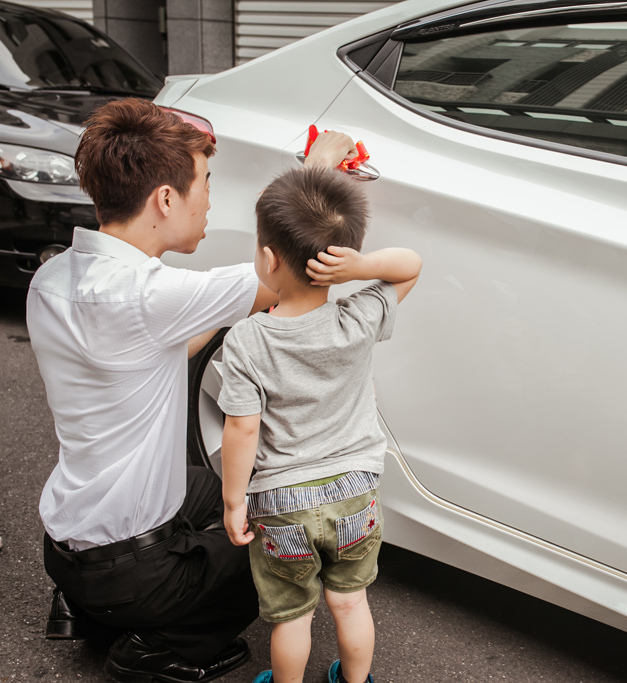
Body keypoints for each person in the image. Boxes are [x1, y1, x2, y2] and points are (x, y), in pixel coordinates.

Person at [26, 98, 360, 682]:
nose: (209, 198)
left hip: (66, 544)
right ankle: (163, 646)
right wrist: (320, 168)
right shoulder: (148, 296)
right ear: (164, 198)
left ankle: (86, 607)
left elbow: (166, 345)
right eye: (205, 182)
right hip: (132, 568)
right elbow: (285, 269)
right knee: (284, 545)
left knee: (229, 488)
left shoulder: (54, 278)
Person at [216, 166, 421, 683]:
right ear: (340, 259)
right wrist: (360, 268)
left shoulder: (247, 340)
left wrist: (234, 500)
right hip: (355, 489)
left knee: (293, 615)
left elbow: (241, 429)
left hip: (284, 503)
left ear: (267, 258)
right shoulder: (355, 320)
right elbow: (411, 266)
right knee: (351, 603)